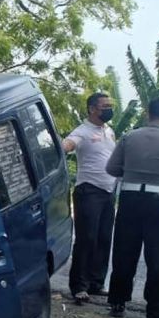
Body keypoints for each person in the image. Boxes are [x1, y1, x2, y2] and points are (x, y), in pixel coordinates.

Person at [104, 98, 159, 318]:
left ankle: (117, 303)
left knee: (124, 251)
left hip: (130, 199)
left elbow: (111, 168)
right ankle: (155, 310)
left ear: (147, 114)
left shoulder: (129, 137)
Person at [63, 92, 117, 303]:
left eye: (110, 105)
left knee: (104, 239)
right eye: (105, 106)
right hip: (89, 191)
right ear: (92, 109)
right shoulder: (82, 131)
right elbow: (69, 143)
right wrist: (64, 146)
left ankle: (96, 283)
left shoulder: (109, 130)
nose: (109, 109)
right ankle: (79, 286)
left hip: (108, 191)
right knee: (87, 239)